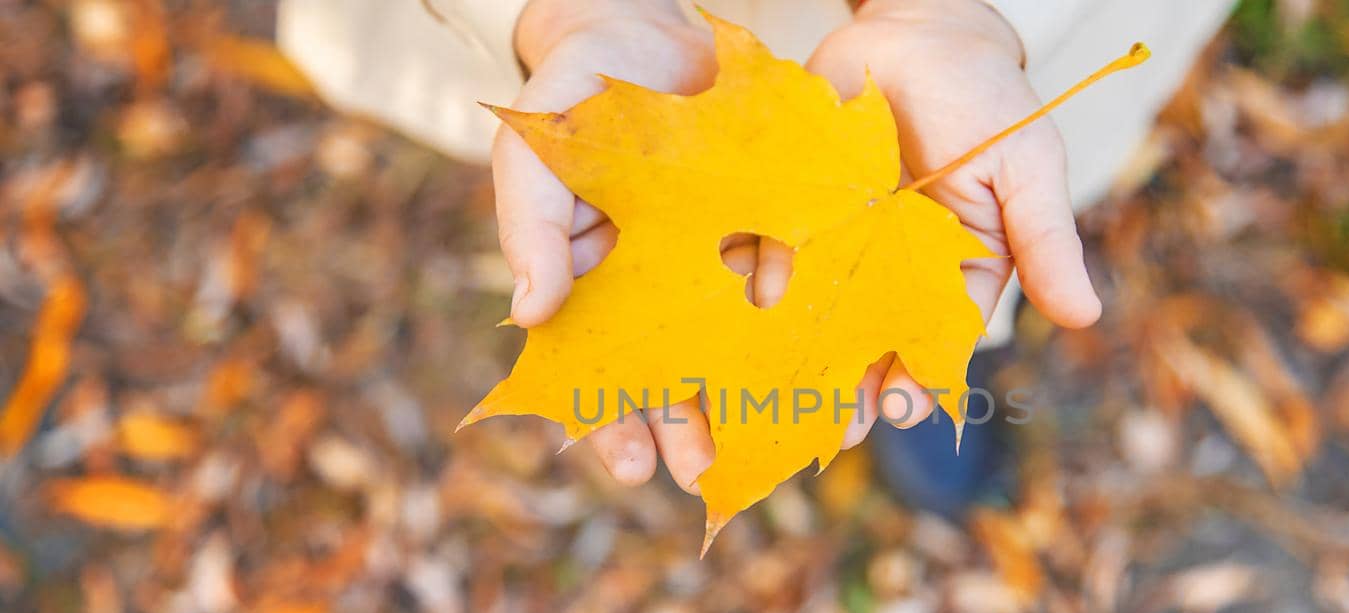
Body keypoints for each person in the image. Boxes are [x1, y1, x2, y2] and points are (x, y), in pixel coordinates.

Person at [278, 0, 1234, 511]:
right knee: (582, 181)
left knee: (974, 239)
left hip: (981, 51)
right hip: (670, 64)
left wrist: (959, 10)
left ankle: (929, 381)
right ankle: (921, 386)